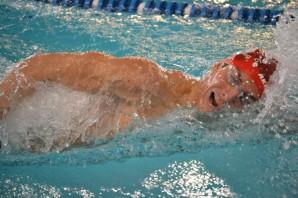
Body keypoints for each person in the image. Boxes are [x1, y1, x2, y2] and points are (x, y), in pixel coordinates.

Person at [0, 48, 277, 151]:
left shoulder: (205, 118)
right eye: (234, 79)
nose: (230, 97)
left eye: (245, 98)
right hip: (16, 125)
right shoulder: (146, 81)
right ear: (218, 66)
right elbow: (36, 68)